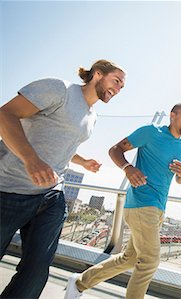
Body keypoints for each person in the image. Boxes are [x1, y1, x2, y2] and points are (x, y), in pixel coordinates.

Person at [0, 59, 126, 299]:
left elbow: (61, 146)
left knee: (36, 272)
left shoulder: (92, 116)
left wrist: (83, 161)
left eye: (122, 87)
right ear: (98, 74)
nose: (119, 89)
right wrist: (31, 159)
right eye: (117, 81)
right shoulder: (59, 89)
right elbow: (6, 114)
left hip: (51, 196)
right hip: (9, 189)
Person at [64, 103, 181, 299]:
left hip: (158, 208)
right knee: (150, 261)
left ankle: (80, 282)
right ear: (172, 115)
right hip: (141, 204)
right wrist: (128, 167)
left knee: (130, 258)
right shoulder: (151, 132)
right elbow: (115, 149)